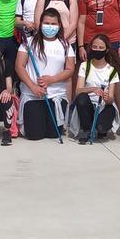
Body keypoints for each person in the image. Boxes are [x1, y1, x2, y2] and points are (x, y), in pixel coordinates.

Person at [16, 9, 75, 141]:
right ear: (40, 23)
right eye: (46, 23)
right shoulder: (29, 42)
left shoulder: (65, 45)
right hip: (33, 95)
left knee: (53, 134)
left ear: (59, 25)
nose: (50, 26)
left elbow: (70, 69)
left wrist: (51, 80)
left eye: (53, 24)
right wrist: (33, 87)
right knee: (34, 135)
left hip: (56, 96)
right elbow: (19, 66)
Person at [70, 34, 120, 143]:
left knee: (101, 127)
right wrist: (93, 89)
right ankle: (86, 129)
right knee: (81, 98)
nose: (97, 50)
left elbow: (111, 98)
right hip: (88, 103)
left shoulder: (112, 70)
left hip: (103, 105)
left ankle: (101, 128)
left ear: (106, 50)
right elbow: (78, 91)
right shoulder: (85, 66)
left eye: (101, 48)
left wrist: (108, 98)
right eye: (95, 47)